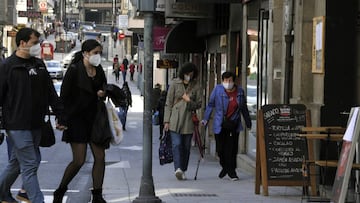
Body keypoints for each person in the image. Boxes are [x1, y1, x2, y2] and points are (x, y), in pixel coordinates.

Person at [0, 27, 66, 203]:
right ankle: (38, 200)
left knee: (17, 162)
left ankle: (1, 192)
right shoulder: (7, 66)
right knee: (30, 163)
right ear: (22, 43)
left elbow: (51, 92)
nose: (39, 46)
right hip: (16, 124)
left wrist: (60, 115)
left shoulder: (38, 64)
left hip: (37, 123)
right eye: (34, 43)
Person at [53, 39, 108, 203]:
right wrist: (61, 118)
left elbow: (105, 87)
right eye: (95, 53)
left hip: (95, 119)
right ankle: (60, 190)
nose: (98, 56)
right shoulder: (74, 70)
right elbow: (63, 96)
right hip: (76, 119)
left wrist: (103, 93)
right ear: (85, 53)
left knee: (100, 157)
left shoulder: (99, 70)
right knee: (79, 160)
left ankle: (97, 195)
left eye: (99, 53)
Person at [201, 71, 252, 181]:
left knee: (232, 148)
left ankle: (232, 172)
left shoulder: (240, 92)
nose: (227, 83)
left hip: (234, 124)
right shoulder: (217, 90)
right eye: (225, 80)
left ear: (234, 81)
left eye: (230, 80)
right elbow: (210, 105)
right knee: (220, 149)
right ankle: (225, 167)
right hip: (220, 123)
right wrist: (205, 119)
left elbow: (243, 108)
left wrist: (248, 122)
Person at [164, 62, 202, 180]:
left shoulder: (196, 86)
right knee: (177, 144)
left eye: (191, 74)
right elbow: (168, 103)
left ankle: (183, 168)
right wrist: (166, 121)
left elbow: (199, 104)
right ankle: (178, 169)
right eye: (187, 73)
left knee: (186, 147)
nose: (189, 76)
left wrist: (189, 101)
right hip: (174, 119)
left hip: (188, 120)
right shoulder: (175, 83)